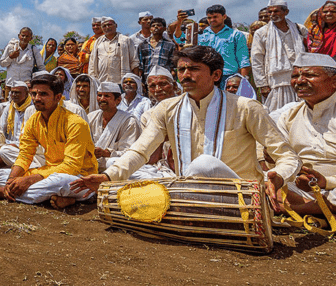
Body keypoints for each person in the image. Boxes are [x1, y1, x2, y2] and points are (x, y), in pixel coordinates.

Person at [71, 46, 300, 204]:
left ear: (216, 75)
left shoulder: (246, 107)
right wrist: (108, 177)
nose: (185, 75)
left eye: (194, 69)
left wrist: (278, 176)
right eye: (181, 70)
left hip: (239, 196)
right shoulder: (166, 109)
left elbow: (288, 157)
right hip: (188, 193)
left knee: (204, 165)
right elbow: (141, 150)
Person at [0, 74, 98, 209]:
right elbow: (25, 155)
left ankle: (5, 193)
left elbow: (71, 166)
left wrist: (31, 179)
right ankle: (64, 198)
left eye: (43, 94)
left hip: (79, 177)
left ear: (58, 97)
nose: (37, 98)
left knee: (59, 181)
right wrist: (11, 181)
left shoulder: (75, 123)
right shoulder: (34, 120)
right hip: (49, 171)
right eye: (34, 94)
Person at [275, 54, 336, 229]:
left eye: (310, 75)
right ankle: (326, 212)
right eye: (295, 76)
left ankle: (302, 210)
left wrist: (327, 181)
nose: (300, 81)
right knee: (259, 180)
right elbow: (283, 159)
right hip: (300, 191)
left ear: (335, 81)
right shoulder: (288, 116)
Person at [88, 82, 141, 173]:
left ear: (118, 100)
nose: (102, 99)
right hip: (91, 164)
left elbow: (130, 153)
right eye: (99, 95)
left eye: (106, 96)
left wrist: (107, 153)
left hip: (113, 167)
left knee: (113, 162)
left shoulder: (129, 121)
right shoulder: (91, 117)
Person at [197, 5, 250, 85]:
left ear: (224, 17)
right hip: (207, 76)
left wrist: (243, 82)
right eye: (209, 18)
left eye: (215, 17)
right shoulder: (201, 36)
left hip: (229, 78)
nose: (212, 20)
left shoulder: (236, 35)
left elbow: (243, 59)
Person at [88, 16, 139, 84]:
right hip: (102, 82)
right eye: (104, 26)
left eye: (109, 25)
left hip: (122, 82)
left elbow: (134, 62)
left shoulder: (125, 40)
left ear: (116, 25)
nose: (107, 27)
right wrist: (93, 81)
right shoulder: (98, 42)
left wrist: (136, 80)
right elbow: (92, 64)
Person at [136, 17, 177, 81]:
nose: (156, 27)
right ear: (150, 29)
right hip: (147, 80)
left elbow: (172, 66)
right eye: (153, 26)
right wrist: (139, 81)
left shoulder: (170, 45)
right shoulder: (142, 45)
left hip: (164, 80)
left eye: (159, 25)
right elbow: (140, 66)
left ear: (164, 29)